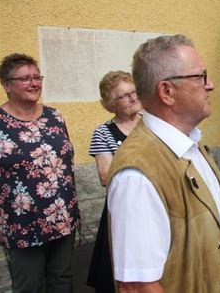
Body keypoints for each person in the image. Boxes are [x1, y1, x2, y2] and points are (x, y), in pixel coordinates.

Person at [107, 34, 220, 292]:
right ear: (166, 91)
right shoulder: (137, 175)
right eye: (200, 77)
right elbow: (138, 286)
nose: (211, 85)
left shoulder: (189, 143)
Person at [0, 53, 80, 292]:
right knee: (29, 286)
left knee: (62, 280)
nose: (34, 83)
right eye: (25, 78)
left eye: (37, 77)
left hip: (63, 217)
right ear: (6, 85)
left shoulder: (55, 117)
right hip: (22, 224)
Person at [86, 71, 142, 292]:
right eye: (124, 96)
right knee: (124, 275)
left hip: (162, 206)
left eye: (134, 91)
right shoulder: (103, 133)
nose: (133, 97)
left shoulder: (153, 123)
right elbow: (106, 176)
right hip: (125, 210)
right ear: (111, 105)